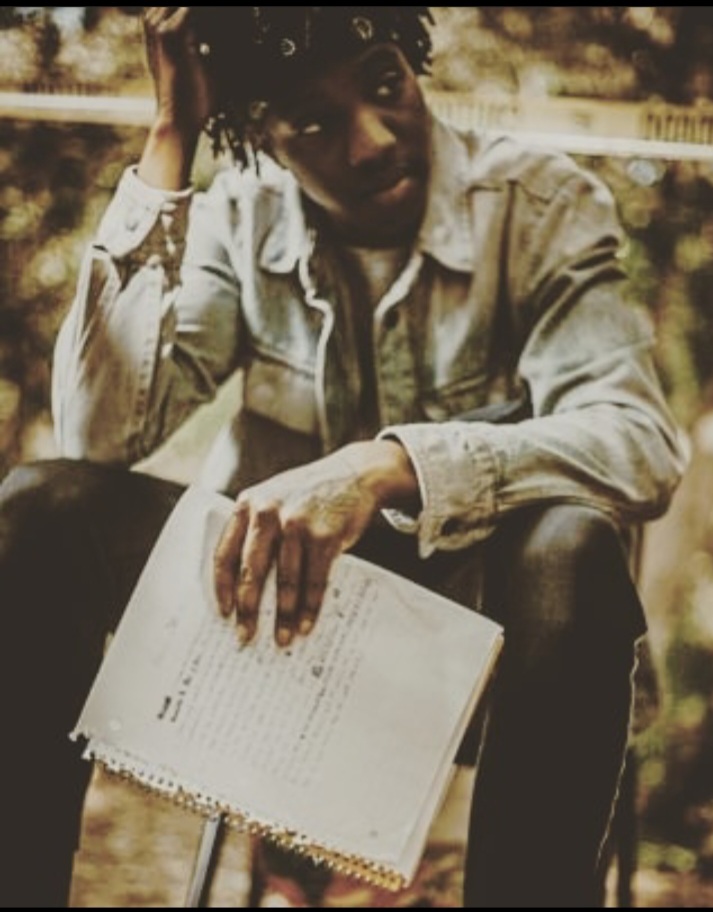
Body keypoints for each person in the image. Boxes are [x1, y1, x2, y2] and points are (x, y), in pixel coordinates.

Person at [0, 7, 687, 908]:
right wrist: (170, 137)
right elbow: (97, 438)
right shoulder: (238, 216)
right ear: (261, 138)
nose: (371, 141)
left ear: (412, 61)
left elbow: (636, 441)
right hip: (281, 641)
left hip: (490, 664)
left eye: (384, 84)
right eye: (314, 122)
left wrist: (387, 465)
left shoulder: (540, 204)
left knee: (570, 542)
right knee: (44, 508)